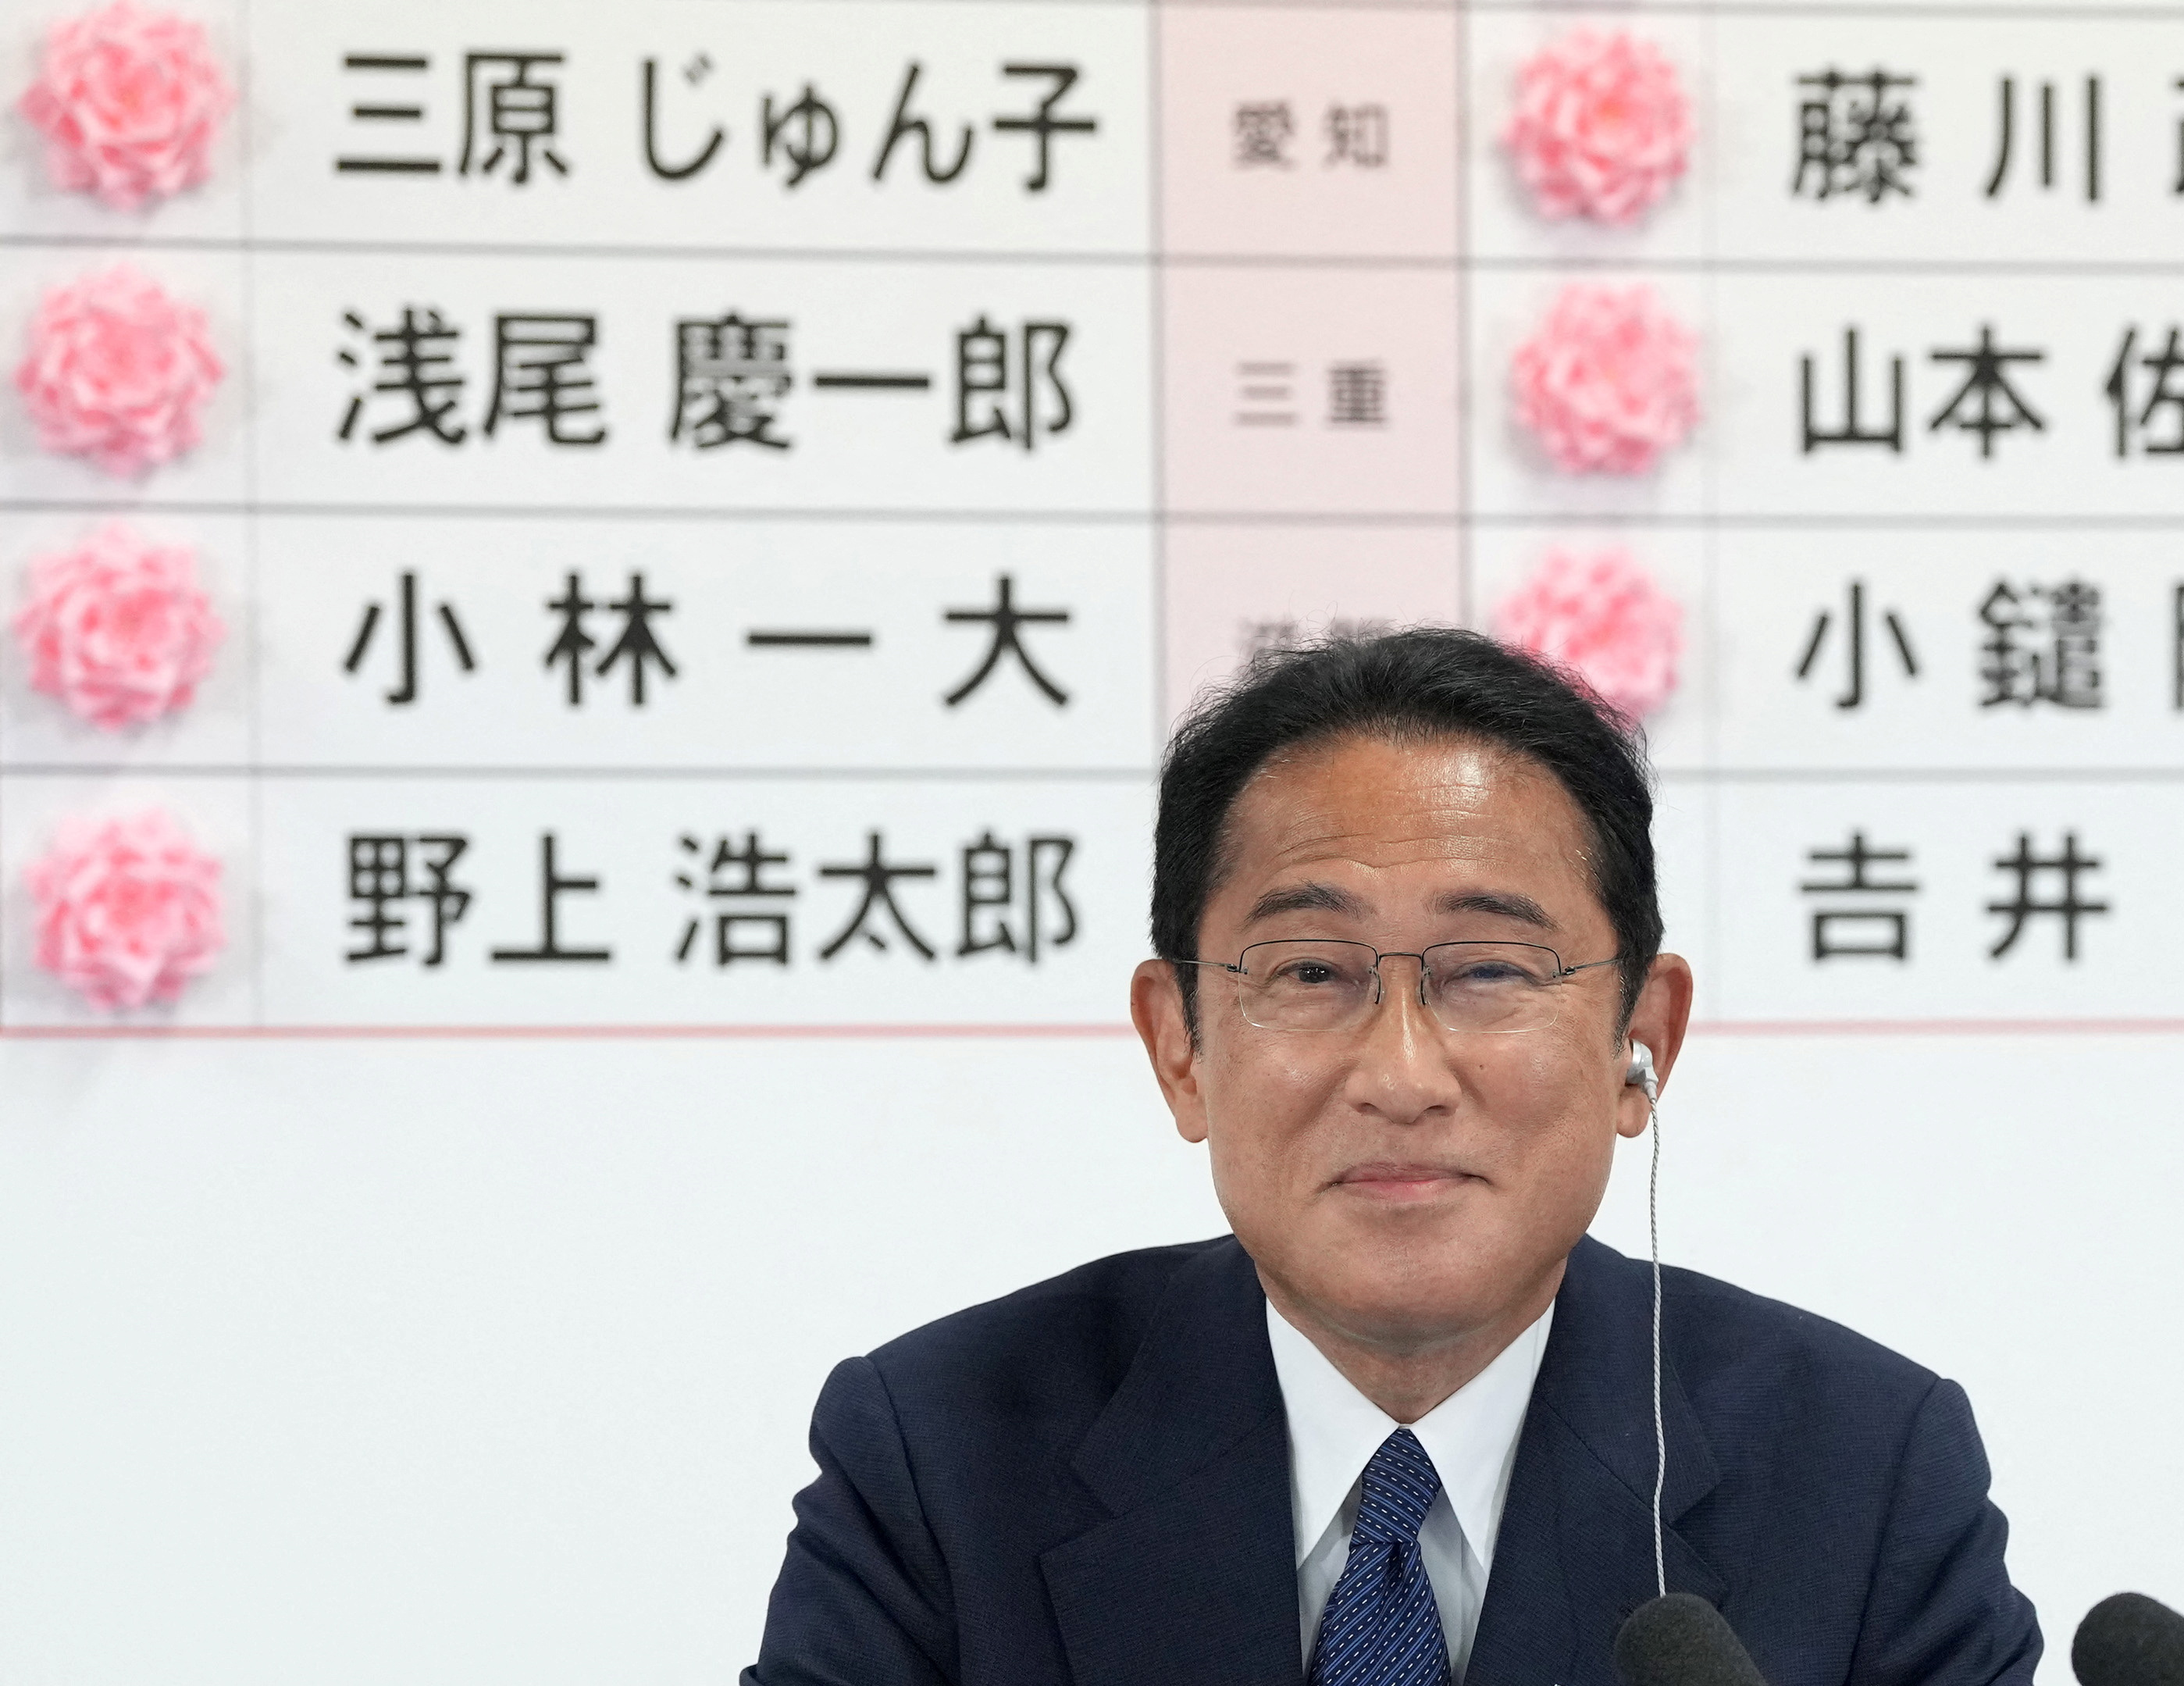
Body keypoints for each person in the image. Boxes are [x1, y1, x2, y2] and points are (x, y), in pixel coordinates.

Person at [741, 629, 2041, 1686]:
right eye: (1311, 972)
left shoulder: (1865, 1475)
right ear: (1180, 1047)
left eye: (1491, 971)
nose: (1403, 1075)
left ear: (1640, 1040)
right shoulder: (940, 1457)